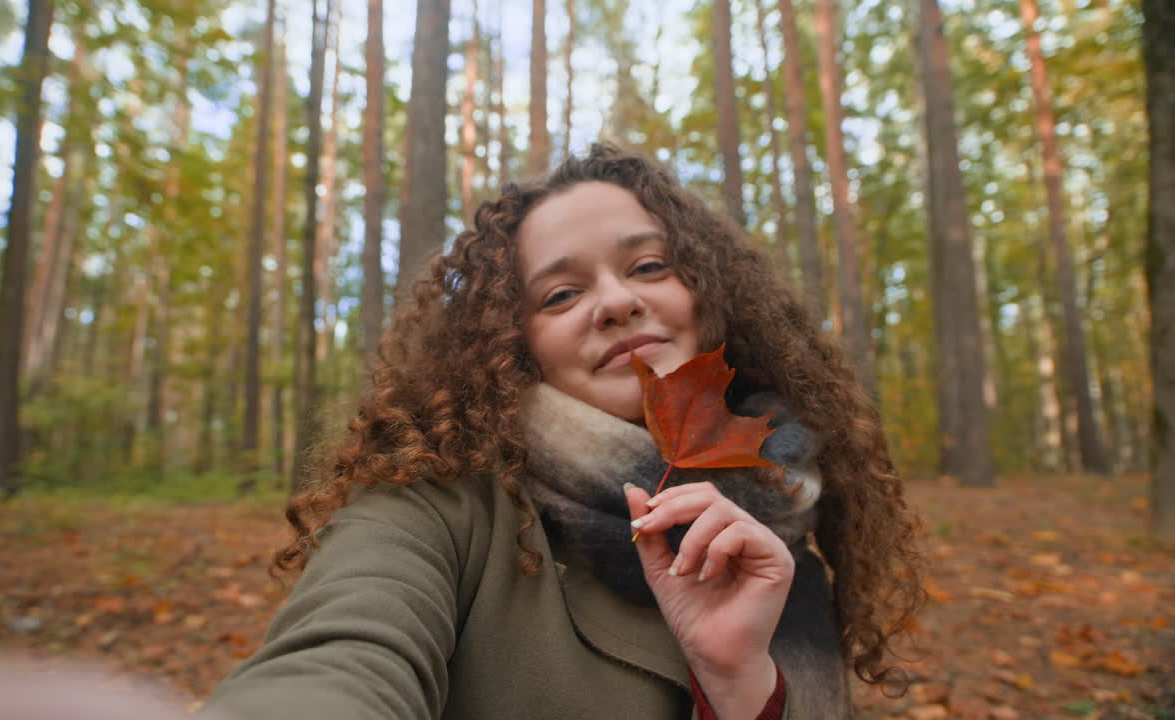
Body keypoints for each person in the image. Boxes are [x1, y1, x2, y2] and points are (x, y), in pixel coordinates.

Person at [201, 144, 924, 720]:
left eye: (648, 265)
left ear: (710, 295)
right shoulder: (434, 503)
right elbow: (339, 660)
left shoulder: (786, 507)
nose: (615, 302)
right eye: (561, 293)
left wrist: (741, 691)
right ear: (518, 344)